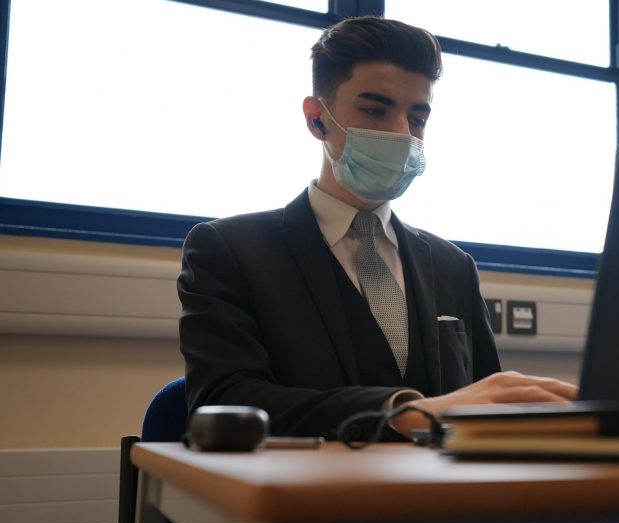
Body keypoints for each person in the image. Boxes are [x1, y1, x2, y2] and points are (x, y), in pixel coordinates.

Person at [177, 16, 577, 440]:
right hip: (304, 499)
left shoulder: (453, 266)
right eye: (374, 110)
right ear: (317, 120)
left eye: (418, 118)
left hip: (442, 499)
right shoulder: (229, 251)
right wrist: (400, 412)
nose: (402, 134)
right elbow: (221, 402)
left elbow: (483, 406)